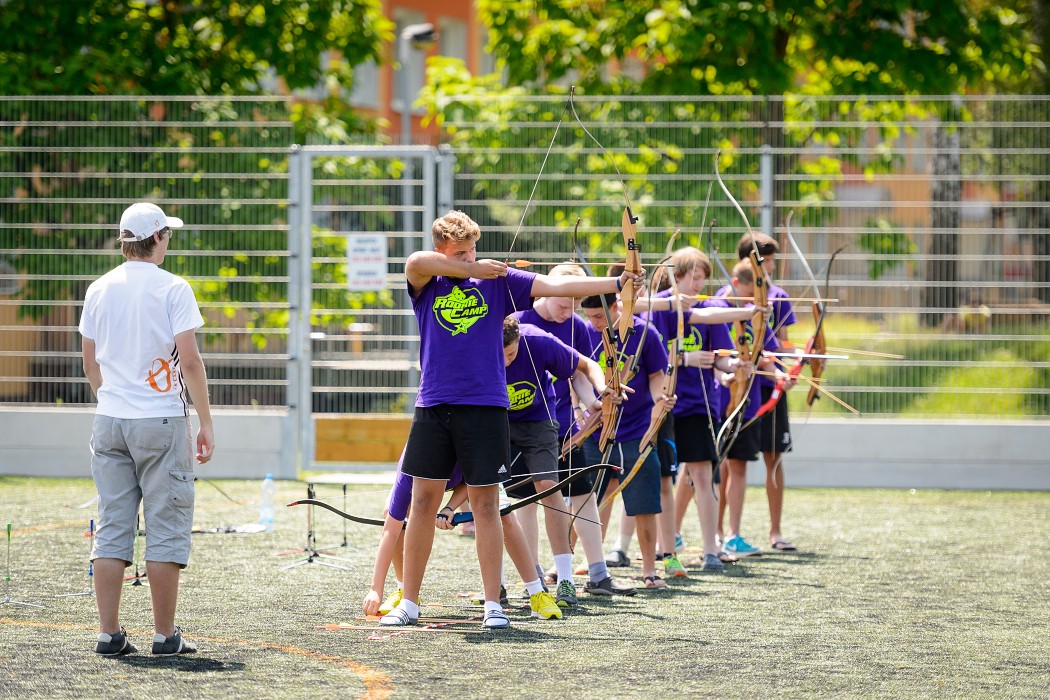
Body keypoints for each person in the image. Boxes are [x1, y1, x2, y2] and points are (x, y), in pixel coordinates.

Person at [381, 210, 643, 628]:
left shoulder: (498, 283)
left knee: (487, 504)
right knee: (424, 502)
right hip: (434, 404)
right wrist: (466, 269)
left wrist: (617, 283)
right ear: (443, 252)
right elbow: (414, 262)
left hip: (485, 407)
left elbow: (556, 285)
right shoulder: (427, 283)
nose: (470, 259)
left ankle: (493, 606)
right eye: (460, 253)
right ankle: (409, 603)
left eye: (473, 251)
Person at [79, 202, 214, 656]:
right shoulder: (174, 288)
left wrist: (108, 398)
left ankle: (109, 633)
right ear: (156, 238)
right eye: (167, 235)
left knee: (113, 525)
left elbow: (90, 360)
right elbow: (190, 361)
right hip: (161, 420)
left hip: (110, 418)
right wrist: (206, 421)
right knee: (166, 525)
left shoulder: (98, 288)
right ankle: (164, 635)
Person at [512, 266, 637, 599]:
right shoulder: (519, 321)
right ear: (547, 291)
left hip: (565, 428)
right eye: (563, 304)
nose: (568, 312)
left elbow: (578, 373)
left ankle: (598, 574)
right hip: (520, 426)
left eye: (574, 304)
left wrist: (596, 403)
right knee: (525, 499)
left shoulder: (577, 326)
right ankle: (533, 575)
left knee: (581, 493)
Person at [643, 247, 755, 572]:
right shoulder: (658, 305)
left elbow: (721, 355)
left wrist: (735, 365)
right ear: (675, 276)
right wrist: (683, 359)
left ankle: (710, 550)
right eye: (692, 277)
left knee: (703, 476)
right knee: (661, 476)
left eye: (702, 277)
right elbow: (648, 354)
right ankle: (661, 549)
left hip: (698, 404)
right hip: (663, 402)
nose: (697, 284)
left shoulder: (711, 306)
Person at [363, 452, 563, 621]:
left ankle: (537, 593)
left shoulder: (463, 452)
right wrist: (375, 589)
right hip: (431, 468)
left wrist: (450, 507)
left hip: (473, 457)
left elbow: (470, 480)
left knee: (504, 514)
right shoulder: (411, 469)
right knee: (392, 512)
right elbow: (390, 529)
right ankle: (404, 591)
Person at [579, 290, 674, 589]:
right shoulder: (583, 332)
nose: (594, 323)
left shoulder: (645, 332)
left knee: (644, 502)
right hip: (597, 429)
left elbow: (657, 378)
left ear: (616, 306)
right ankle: (580, 566)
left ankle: (649, 571)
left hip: (637, 429)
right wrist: (582, 407)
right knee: (585, 499)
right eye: (590, 317)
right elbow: (576, 374)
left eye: (599, 316)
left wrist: (661, 399)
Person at [713, 259, 782, 558]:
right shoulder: (714, 309)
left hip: (746, 400)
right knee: (704, 471)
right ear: (736, 282)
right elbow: (711, 351)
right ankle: (707, 534)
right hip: (717, 401)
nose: (753, 302)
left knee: (739, 466)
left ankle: (732, 534)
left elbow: (765, 354)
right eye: (750, 293)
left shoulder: (756, 313)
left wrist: (777, 373)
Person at [737, 233, 799, 551]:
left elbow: (783, 343)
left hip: (771, 385)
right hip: (740, 389)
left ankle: (775, 531)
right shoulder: (733, 295)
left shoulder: (778, 296)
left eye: (772, 259)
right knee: (732, 461)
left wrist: (803, 358)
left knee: (773, 458)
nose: (771, 266)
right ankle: (725, 533)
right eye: (766, 259)